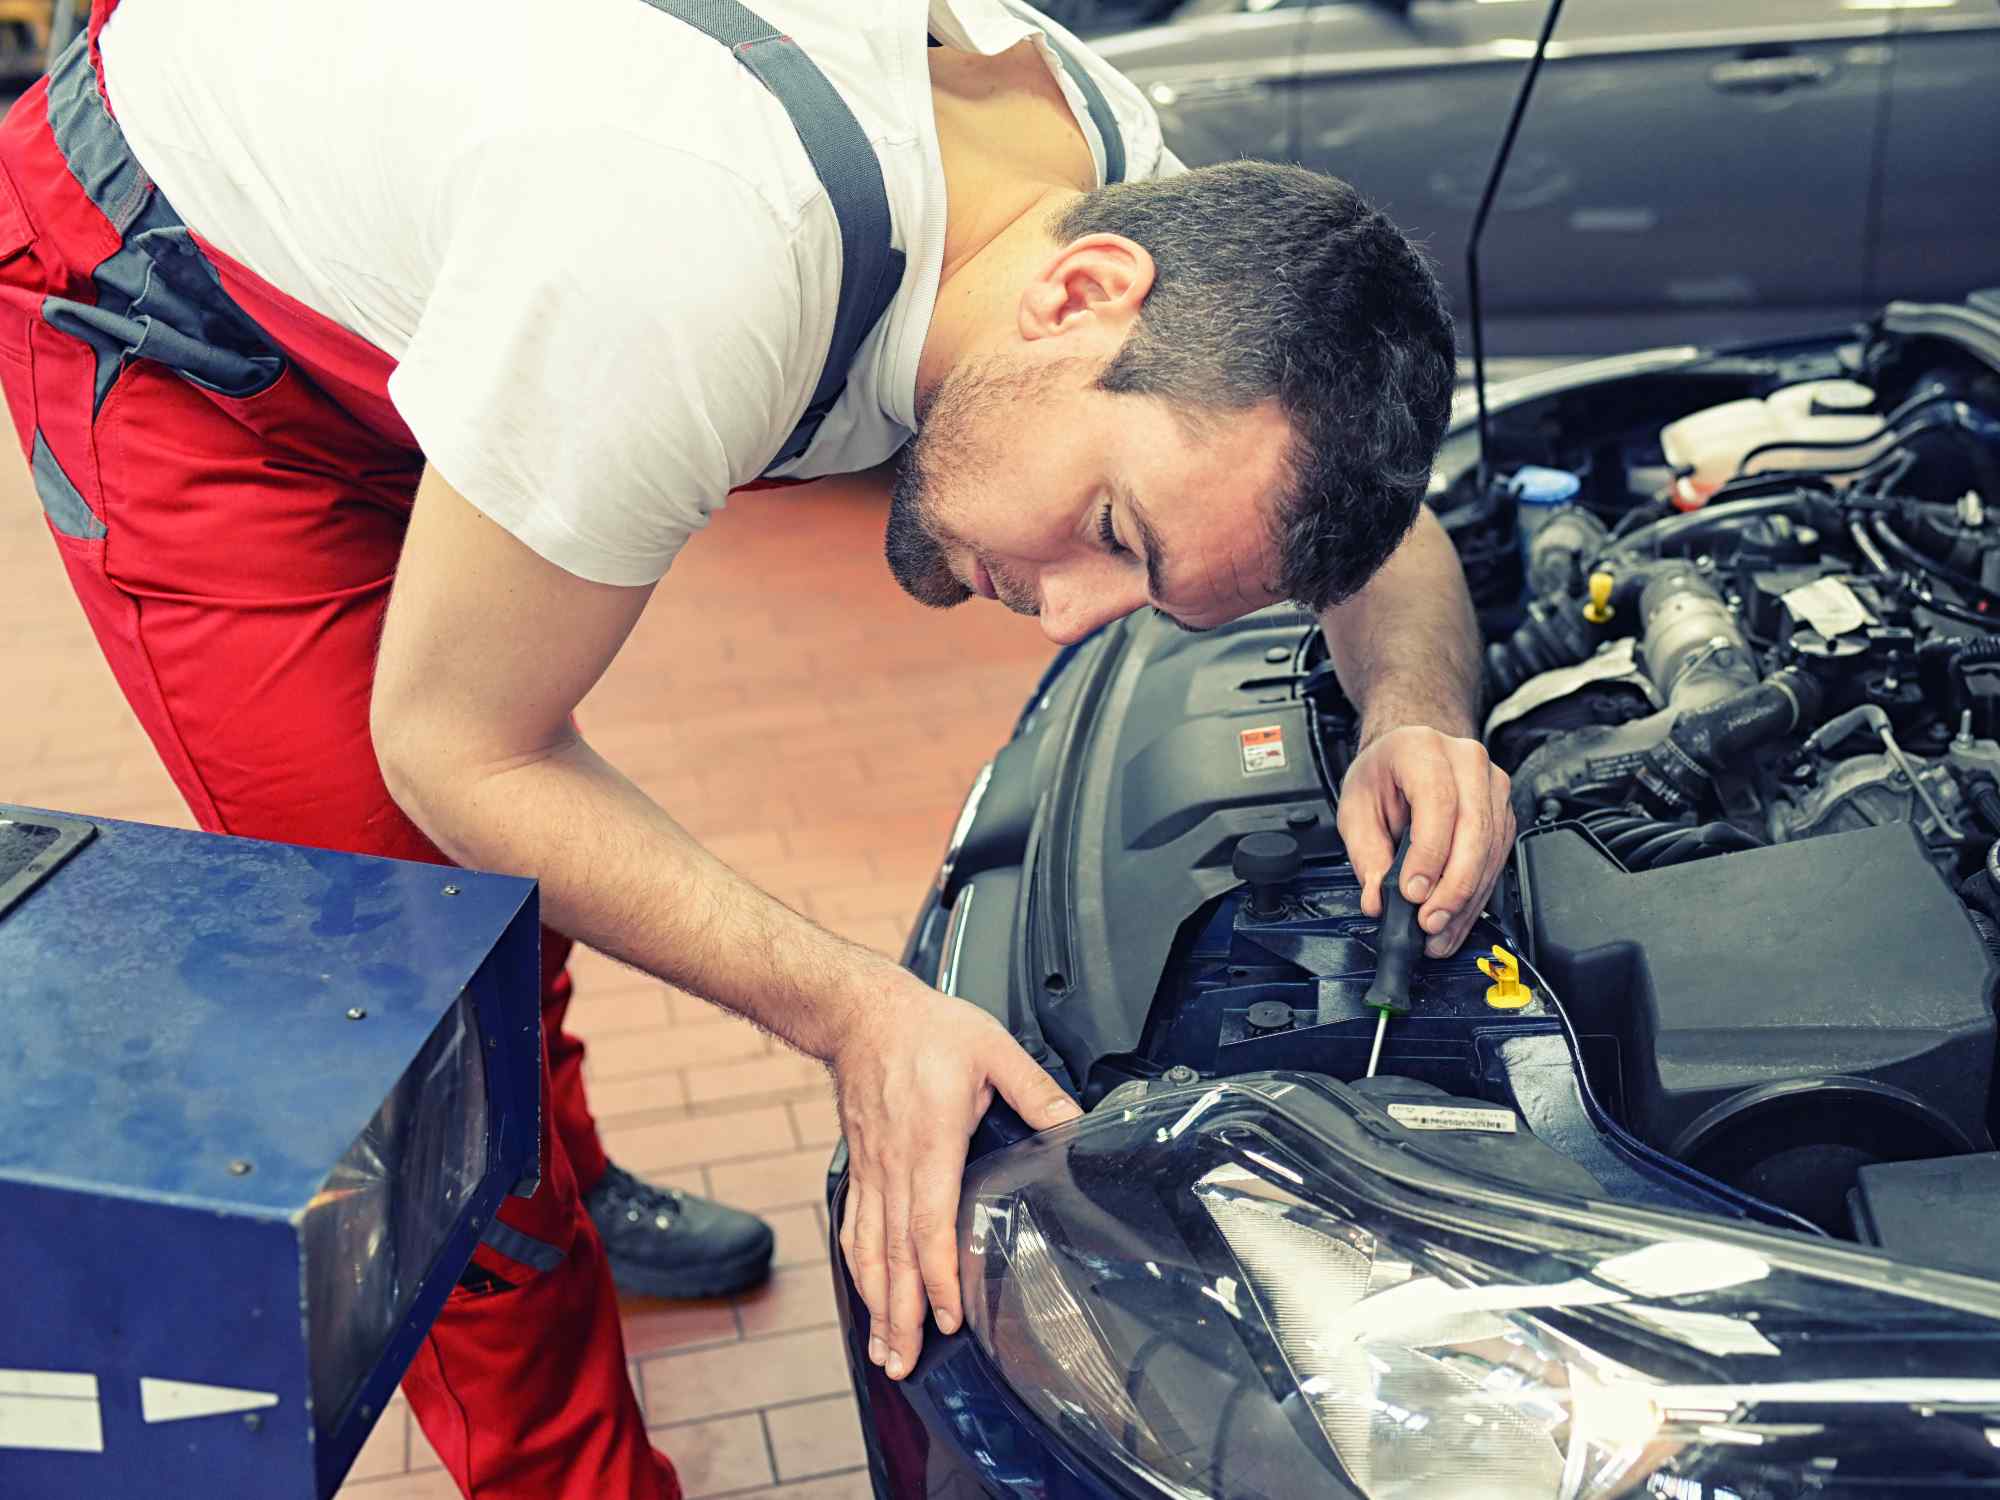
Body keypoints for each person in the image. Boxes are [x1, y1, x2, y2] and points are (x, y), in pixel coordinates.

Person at [0, 0, 1512, 1495]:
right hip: (189, 329)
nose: (1070, 619)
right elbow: (465, 756)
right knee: (420, 1006)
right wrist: (859, 1013)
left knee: (534, 898)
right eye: (1113, 533)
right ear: (1081, 295)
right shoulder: (689, 252)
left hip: (477, 246)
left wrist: (1419, 716)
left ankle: (568, 1172)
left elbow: (1345, 504)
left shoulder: (1128, 203)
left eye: (1145, 587)